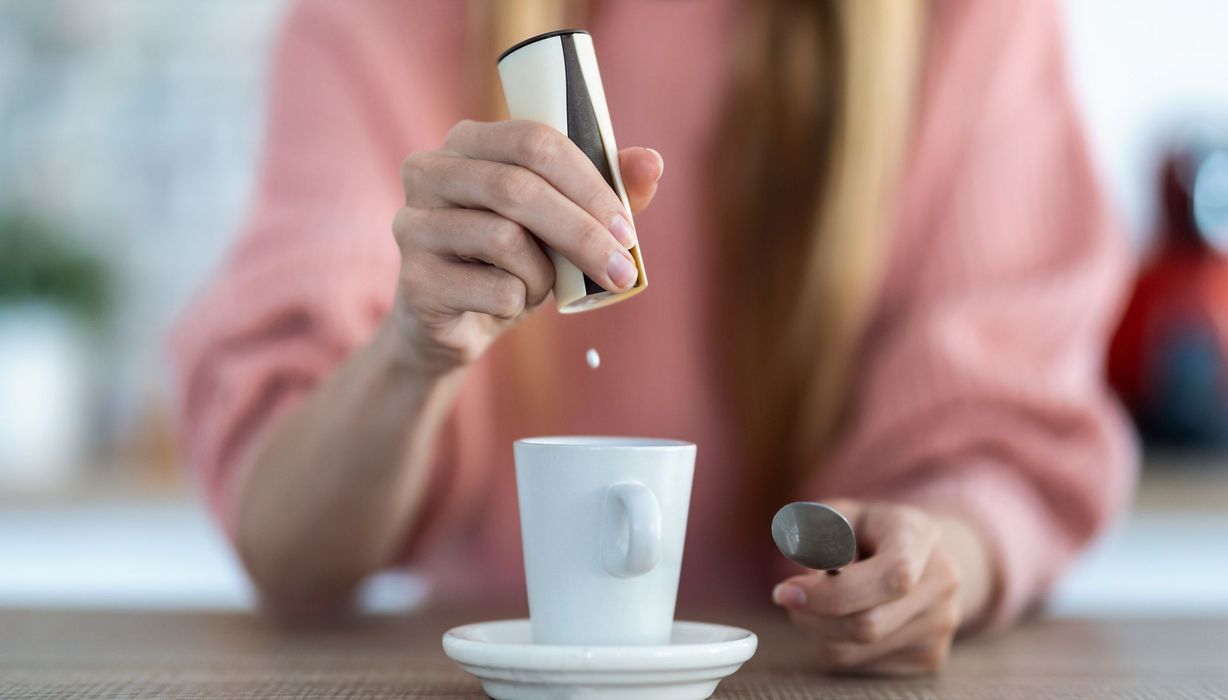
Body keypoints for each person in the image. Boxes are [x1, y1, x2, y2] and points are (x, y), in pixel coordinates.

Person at [172, 0, 1135, 675]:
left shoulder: (965, 20)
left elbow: (1003, 439)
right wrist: (410, 353)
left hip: (815, 672)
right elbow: (288, 544)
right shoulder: (375, 23)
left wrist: (937, 563)